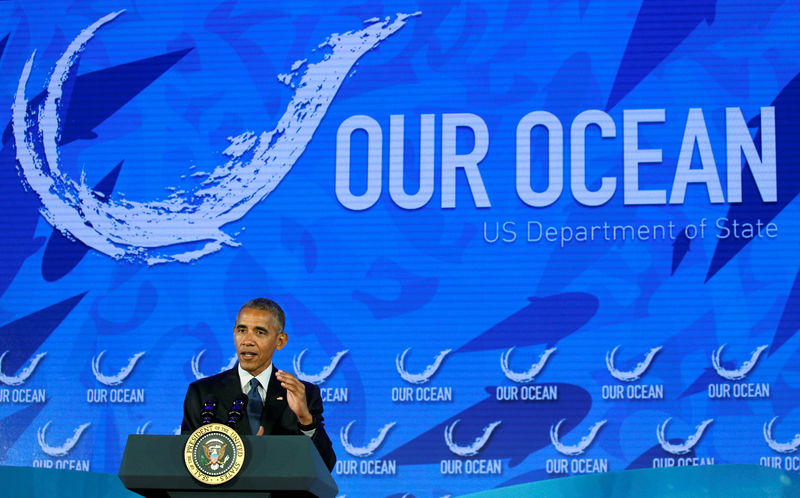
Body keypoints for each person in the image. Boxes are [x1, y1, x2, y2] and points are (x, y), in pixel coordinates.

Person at [181, 298, 336, 471]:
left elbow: (325, 465)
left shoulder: (303, 393)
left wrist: (305, 419)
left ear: (280, 341)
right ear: (234, 333)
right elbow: (189, 462)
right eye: (242, 330)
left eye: (260, 332)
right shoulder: (203, 392)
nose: (247, 340)